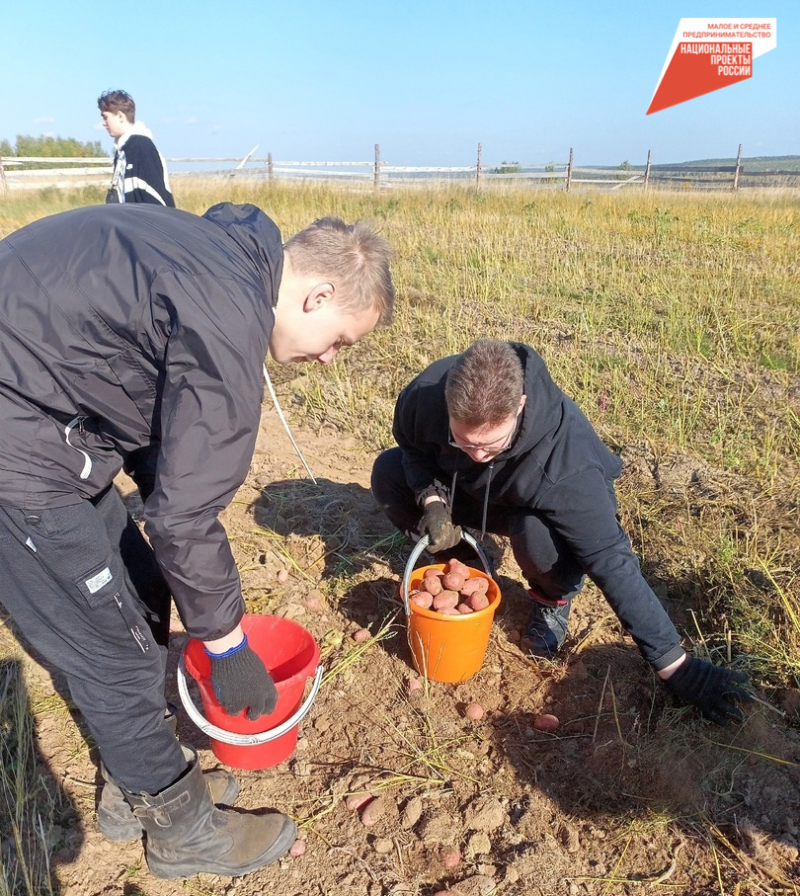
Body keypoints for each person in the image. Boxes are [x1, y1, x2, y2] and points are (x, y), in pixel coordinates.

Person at [0, 202, 395, 879]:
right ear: (318, 293)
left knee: (143, 586)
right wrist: (226, 642)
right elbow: (182, 520)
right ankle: (181, 831)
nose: (330, 360)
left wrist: (187, 538)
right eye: (339, 341)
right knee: (115, 658)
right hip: (20, 448)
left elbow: (160, 436)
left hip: (54, 418)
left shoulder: (226, 257)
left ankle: (136, 786)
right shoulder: (227, 315)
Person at [371, 339, 752, 727]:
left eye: (490, 445)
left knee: (537, 538)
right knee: (388, 473)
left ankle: (553, 600)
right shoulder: (425, 394)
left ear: (519, 406)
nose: (477, 455)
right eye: (463, 442)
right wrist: (433, 501)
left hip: (536, 505)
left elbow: (611, 560)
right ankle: (468, 566)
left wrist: (677, 664)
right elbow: (413, 451)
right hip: (470, 492)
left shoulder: (566, 462)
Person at [98, 89, 175, 206]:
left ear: (120, 116)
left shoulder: (142, 148)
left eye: (105, 117)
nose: (103, 123)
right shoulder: (124, 151)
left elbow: (155, 201)